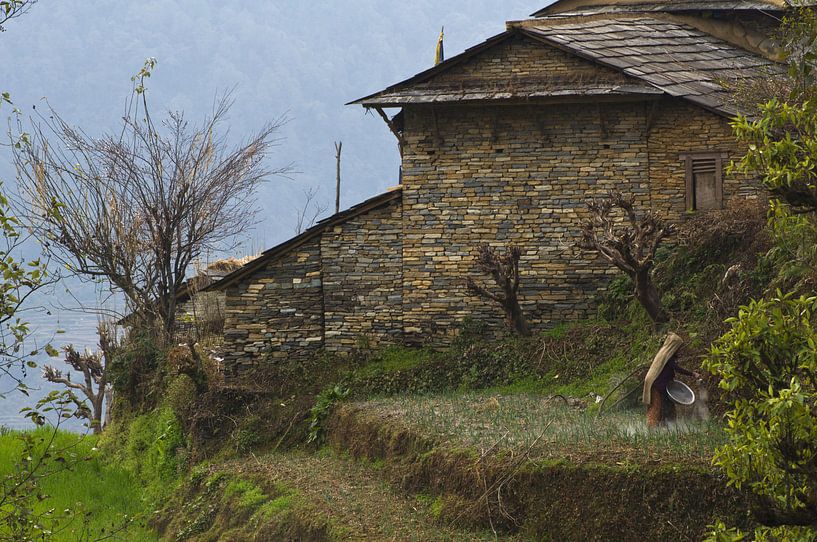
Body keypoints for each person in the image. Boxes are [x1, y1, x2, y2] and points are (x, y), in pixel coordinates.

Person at [642, 333, 700, 427]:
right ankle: (659, 428)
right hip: (658, 385)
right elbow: (677, 368)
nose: (679, 350)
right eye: (678, 348)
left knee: (667, 406)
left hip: (661, 384)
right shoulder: (667, 357)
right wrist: (692, 374)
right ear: (674, 347)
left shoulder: (665, 355)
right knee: (659, 407)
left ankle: (667, 426)